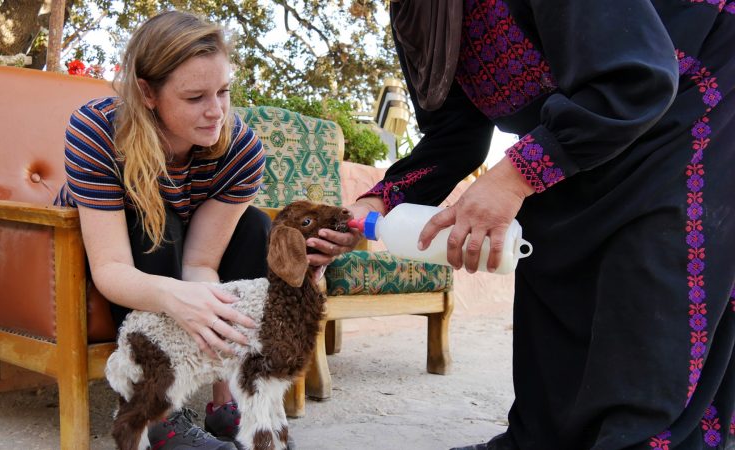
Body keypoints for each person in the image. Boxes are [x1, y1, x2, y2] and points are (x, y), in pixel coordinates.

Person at [308, 1, 735, 449]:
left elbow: (634, 78)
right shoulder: (418, 12)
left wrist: (513, 177)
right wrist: (379, 200)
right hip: (574, 117)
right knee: (550, 244)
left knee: (646, 274)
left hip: (690, 94)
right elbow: (455, 134)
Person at [54, 11, 269, 450]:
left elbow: (201, 261)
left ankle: (227, 401)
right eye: (194, 97)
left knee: (255, 226)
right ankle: (155, 413)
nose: (216, 112)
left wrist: (206, 308)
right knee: (155, 219)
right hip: (106, 255)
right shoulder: (96, 130)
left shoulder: (242, 150)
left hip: (183, 249)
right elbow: (110, 267)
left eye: (223, 91)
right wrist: (175, 297)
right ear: (147, 93)